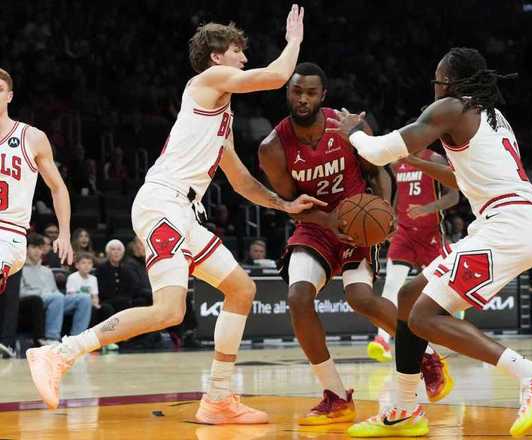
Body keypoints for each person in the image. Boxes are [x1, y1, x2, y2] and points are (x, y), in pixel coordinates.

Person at [27, 5, 322, 425]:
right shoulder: (207, 81)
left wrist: (285, 205)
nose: (244, 58)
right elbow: (276, 76)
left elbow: (241, 182)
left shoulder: (220, 116)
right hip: (163, 202)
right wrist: (294, 42)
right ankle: (60, 353)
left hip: (183, 212)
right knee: (169, 311)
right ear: (217, 57)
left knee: (241, 289)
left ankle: (218, 398)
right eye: (237, 51)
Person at [329, 47, 532, 438]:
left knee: (424, 317)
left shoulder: (452, 107)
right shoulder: (490, 115)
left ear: (452, 82)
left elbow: (378, 151)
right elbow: (463, 180)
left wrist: (354, 132)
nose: (435, 87)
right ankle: (403, 409)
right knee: (409, 297)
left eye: (438, 79)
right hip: (514, 221)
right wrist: (419, 163)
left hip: (509, 225)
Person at [259, 62, 399, 425]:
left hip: (357, 220)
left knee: (360, 298)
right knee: (297, 298)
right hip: (315, 225)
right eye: (296, 91)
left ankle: (424, 354)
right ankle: (336, 395)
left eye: (310, 92)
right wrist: (326, 221)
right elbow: (292, 204)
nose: (303, 99)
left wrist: (384, 211)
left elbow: (379, 171)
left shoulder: (348, 126)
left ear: (323, 95)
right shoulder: (273, 147)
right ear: (288, 93)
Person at [374, 149, 459, 400]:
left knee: (441, 289)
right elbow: (395, 195)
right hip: (404, 234)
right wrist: (390, 219)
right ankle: (381, 340)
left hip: (430, 234)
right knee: (392, 286)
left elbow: (453, 196)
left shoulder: (434, 159)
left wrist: (426, 209)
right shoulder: (397, 163)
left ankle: (454, 318)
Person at [0, 68, 73, 295]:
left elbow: (58, 188)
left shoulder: (31, 137)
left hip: (9, 233)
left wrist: (65, 233)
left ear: (9, 96)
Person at [21, 234, 91, 342]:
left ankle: (76, 339)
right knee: (57, 298)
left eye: (40, 248)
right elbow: (21, 293)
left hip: (55, 300)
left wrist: (57, 295)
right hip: (37, 300)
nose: (37, 251)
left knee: (84, 298)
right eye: (34, 247)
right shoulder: (21, 269)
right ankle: (52, 338)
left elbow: (56, 291)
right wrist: (41, 293)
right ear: (26, 249)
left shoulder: (47, 271)